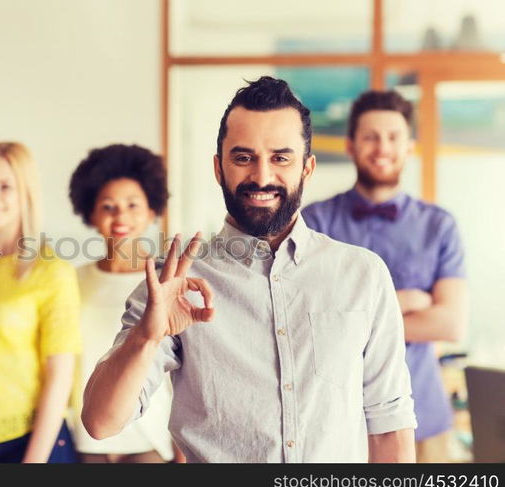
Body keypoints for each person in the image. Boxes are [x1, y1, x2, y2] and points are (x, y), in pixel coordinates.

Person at [82, 77, 417, 463]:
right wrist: (146, 337)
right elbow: (101, 422)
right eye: (243, 158)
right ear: (218, 168)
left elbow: (389, 425)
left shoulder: (363, 275)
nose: (261, 177)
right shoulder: (172, 284)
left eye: (280, 158)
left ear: (307, 168)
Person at [302, 90, 469, 462]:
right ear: (350, 145)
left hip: (424, 420)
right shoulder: (314, 223)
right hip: (336, 425)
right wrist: (410, 301)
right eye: (370, 136)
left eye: (393, 137)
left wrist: (355, 319)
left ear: (409, 146)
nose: (382, 147)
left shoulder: (439, 226)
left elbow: (451, 323)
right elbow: (312, 322)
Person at [0, 142, 81, 463]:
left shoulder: (52, 271)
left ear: (26, 193)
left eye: (5, 187)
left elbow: (60, 375)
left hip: (34, 444)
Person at [68, 144, 176, 463]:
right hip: (85, 439)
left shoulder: (165, 280)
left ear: (152, 211)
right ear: (91, 214)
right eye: (108, 207)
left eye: (132, 205)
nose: (120, 217)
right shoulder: (71, 281)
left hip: (150, 437)